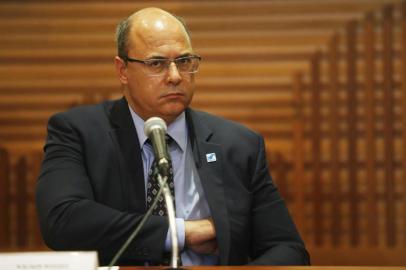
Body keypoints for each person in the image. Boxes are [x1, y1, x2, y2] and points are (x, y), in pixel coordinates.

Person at [36, 7, 310, 266]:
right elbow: (63, 220)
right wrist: (182, 233)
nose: (175, 76)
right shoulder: (78, 131)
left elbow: (288, 249)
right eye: (156, 63)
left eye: (184, 61)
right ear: (122, 70)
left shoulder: (238, 145)